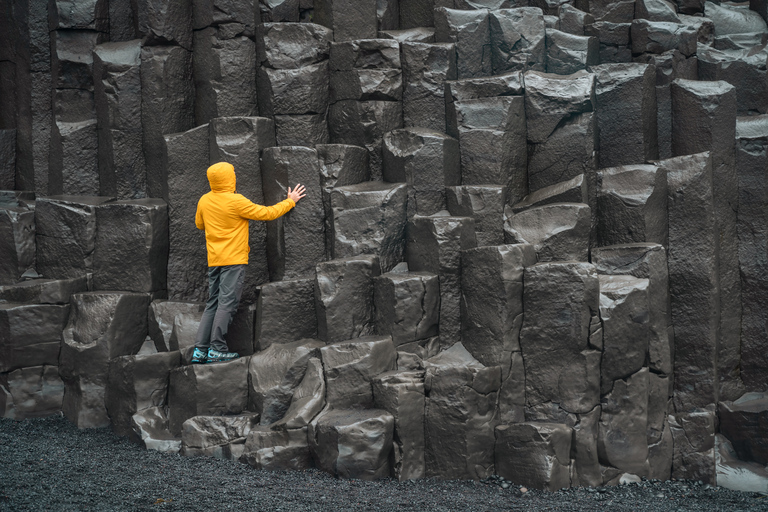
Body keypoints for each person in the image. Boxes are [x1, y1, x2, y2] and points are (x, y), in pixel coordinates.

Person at [191, 161, 306, 364]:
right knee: (226, 304)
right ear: (229, 178)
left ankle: (200, 350)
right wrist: (290, 201)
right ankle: (217, 349)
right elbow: (267, 214)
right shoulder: (236, 201)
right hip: (233, 260)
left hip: (214, 260)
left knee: (213, 303)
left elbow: (199, 224)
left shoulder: (204, 200)